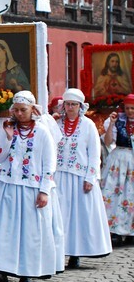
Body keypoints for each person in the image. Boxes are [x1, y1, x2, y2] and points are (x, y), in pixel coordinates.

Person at [0, 91, 59, 282]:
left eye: (23, 110)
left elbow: (49, 163)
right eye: (16, 110)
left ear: (32, 109)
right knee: (2, 229)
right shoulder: (8, 128)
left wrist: (45, 190)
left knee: (29, 231)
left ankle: (27, 271)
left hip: (31, 188)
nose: (20, 114)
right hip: (7, 185)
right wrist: (7, 137)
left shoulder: (42, 132)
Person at [55, 89, 112, 268]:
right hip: (59, 175)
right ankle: (58, 252)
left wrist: (91, 177)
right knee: (60, 215)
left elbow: (94, 154)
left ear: (80, 106)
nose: (70, 107)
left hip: (80, 176)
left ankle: (76, 253)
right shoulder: (56, 124)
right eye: (68, 104)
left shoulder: (88, 125)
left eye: (74, 104)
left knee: (78, 216)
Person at [101, 93, 134, 243]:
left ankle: (131, 231)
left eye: (132, 108)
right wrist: (112, 124)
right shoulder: (118, 121)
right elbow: (108, 142)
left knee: (130, 195)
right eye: (127, 108)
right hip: (118, 159)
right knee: (114, 194)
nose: (129, 111)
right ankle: (114, 230)